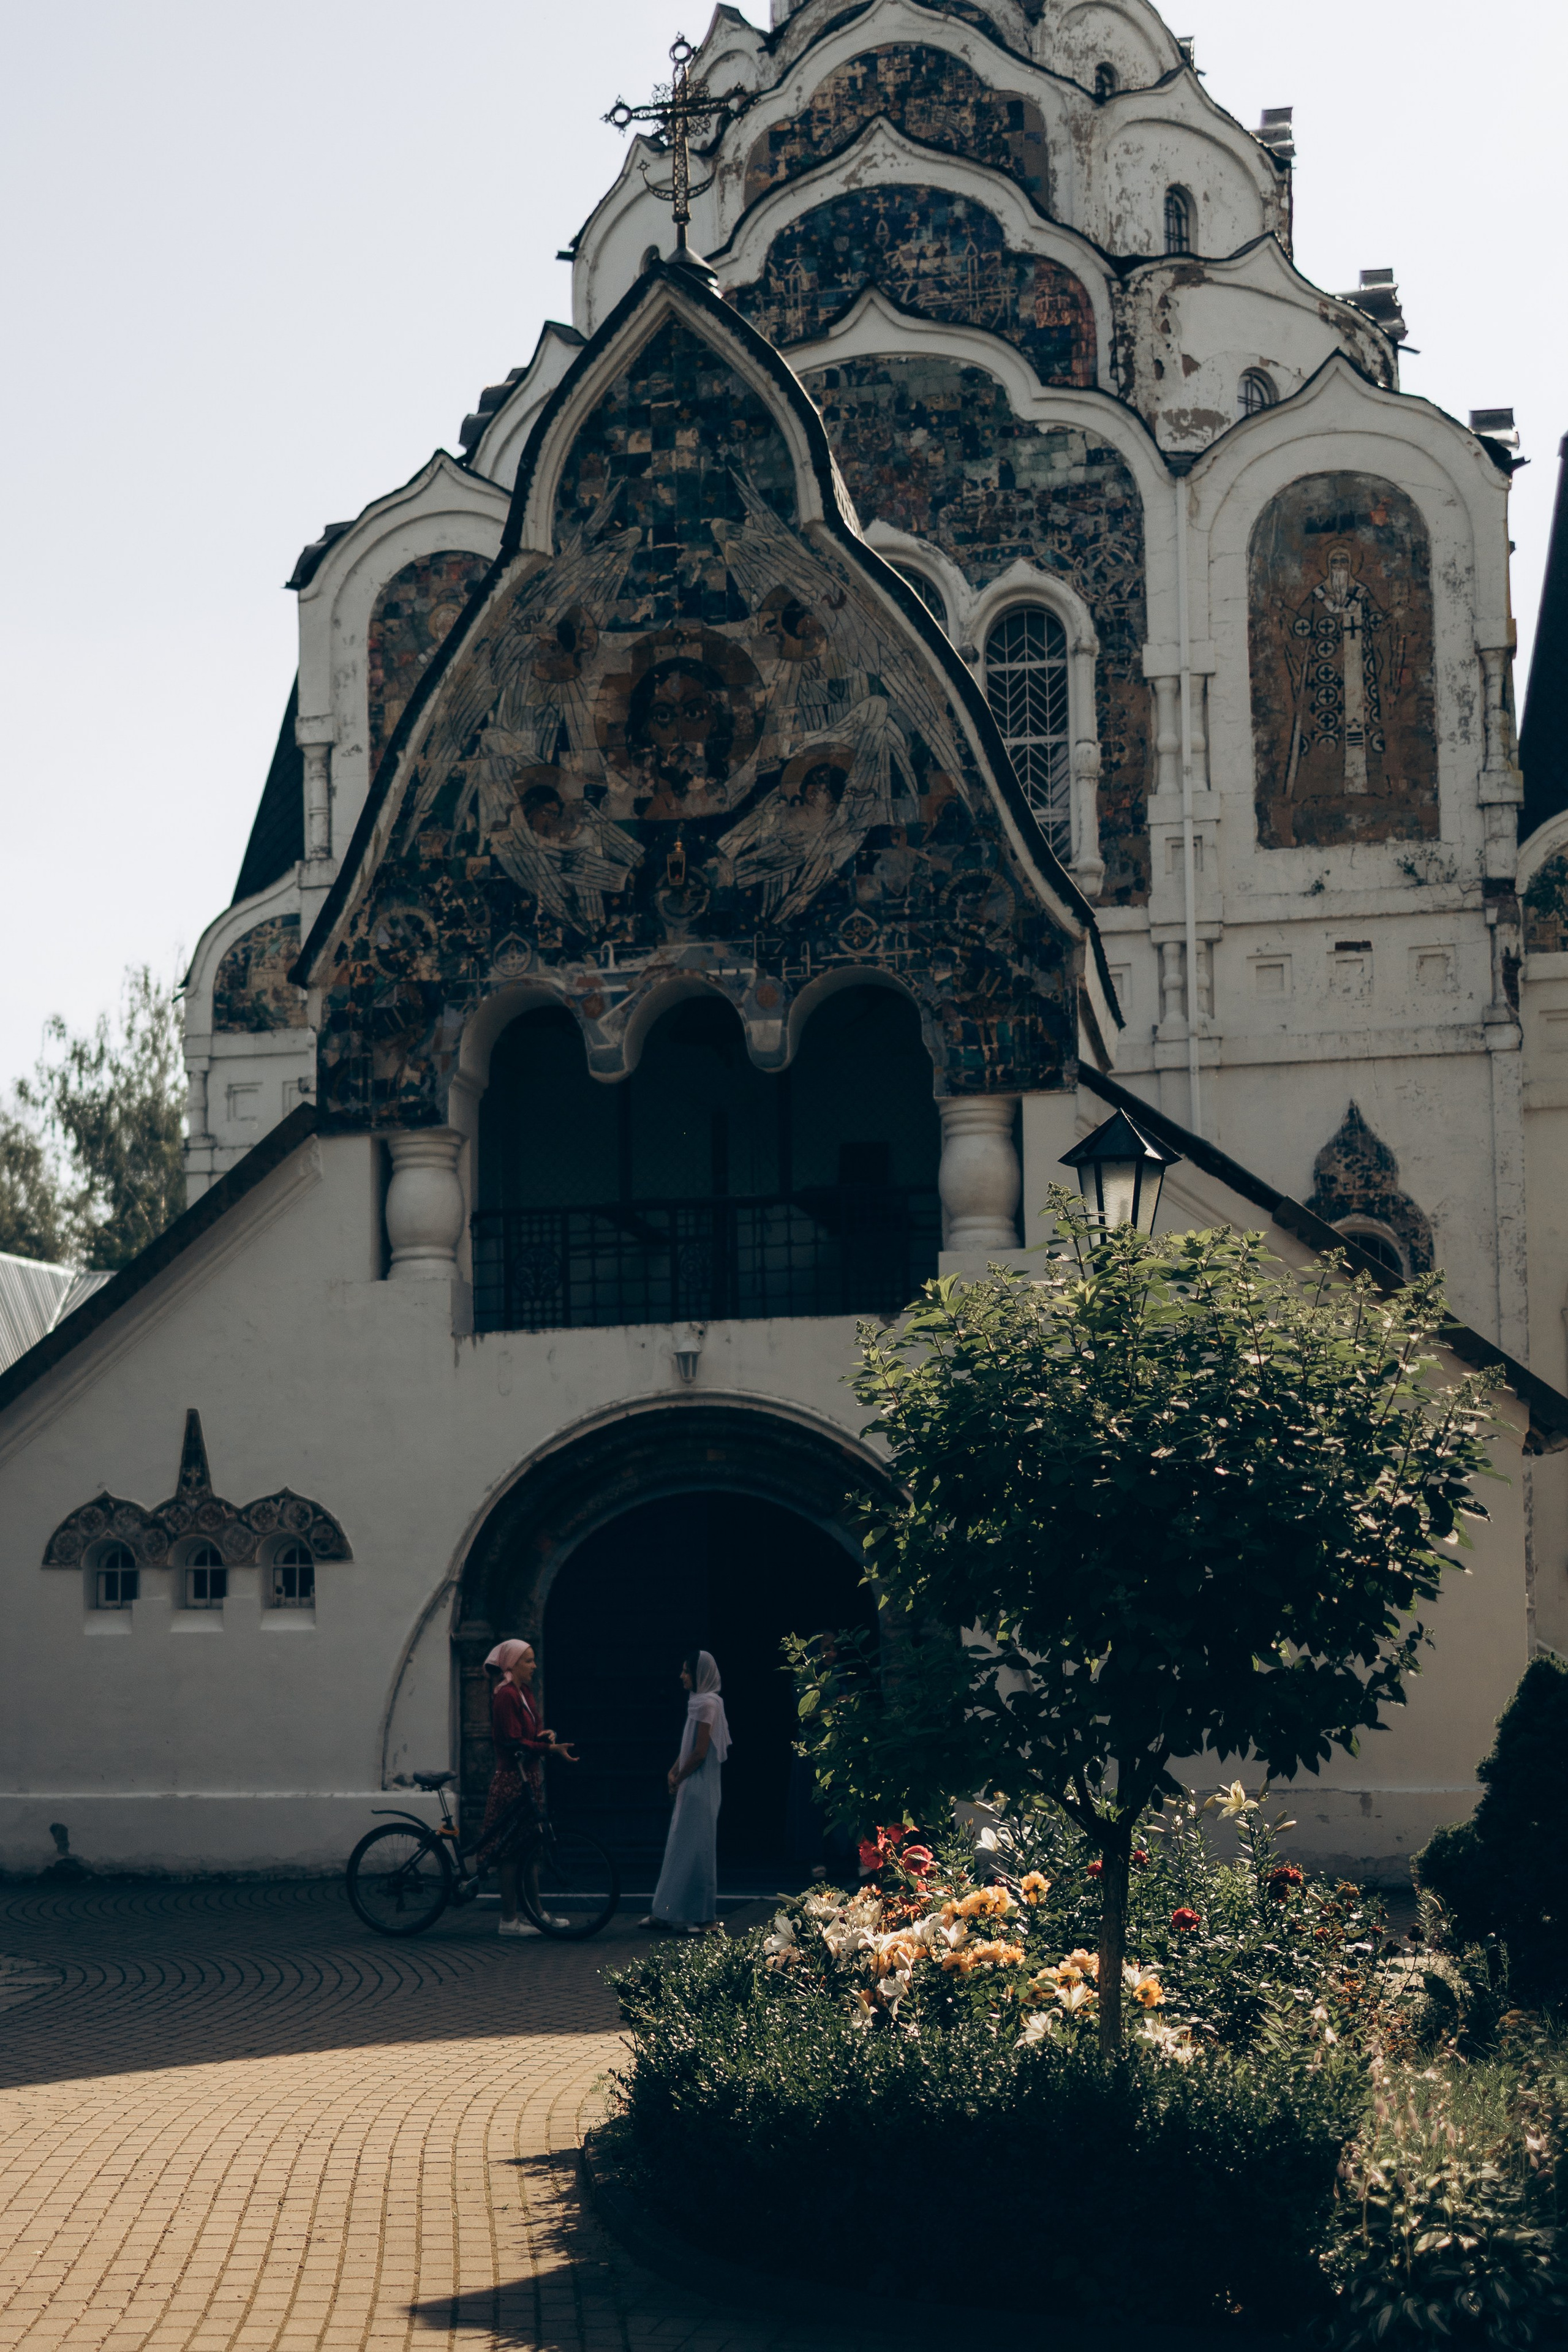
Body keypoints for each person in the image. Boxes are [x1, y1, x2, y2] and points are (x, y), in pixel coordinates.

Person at [478, 1638, 578, 1937]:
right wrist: (549, 1749)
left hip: (529, 1778)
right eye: (528, 1661)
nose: (534, 1666)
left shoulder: (525, 1693)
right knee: (510, 1853)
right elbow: (512, 1741)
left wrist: (545, 1737)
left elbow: (529, 1735)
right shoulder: (506, 1696)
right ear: (512, 1665)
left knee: (530, 1850)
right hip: (513, 1780)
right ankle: (509, 1920)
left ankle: (537, 1915)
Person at [640, 1651, 730, 1936]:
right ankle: (664, 1913)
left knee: (697, 1851)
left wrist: (678, 1776)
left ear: (699, 1674)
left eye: (686, 1671)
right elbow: (691, 1747)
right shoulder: (701, 1702)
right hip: (693, 1784)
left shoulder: (707, 1704)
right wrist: (673, 1771)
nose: (682, 1676)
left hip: (698, 1786)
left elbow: (701, 1752)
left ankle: (705, 1919)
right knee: (681, 1847)